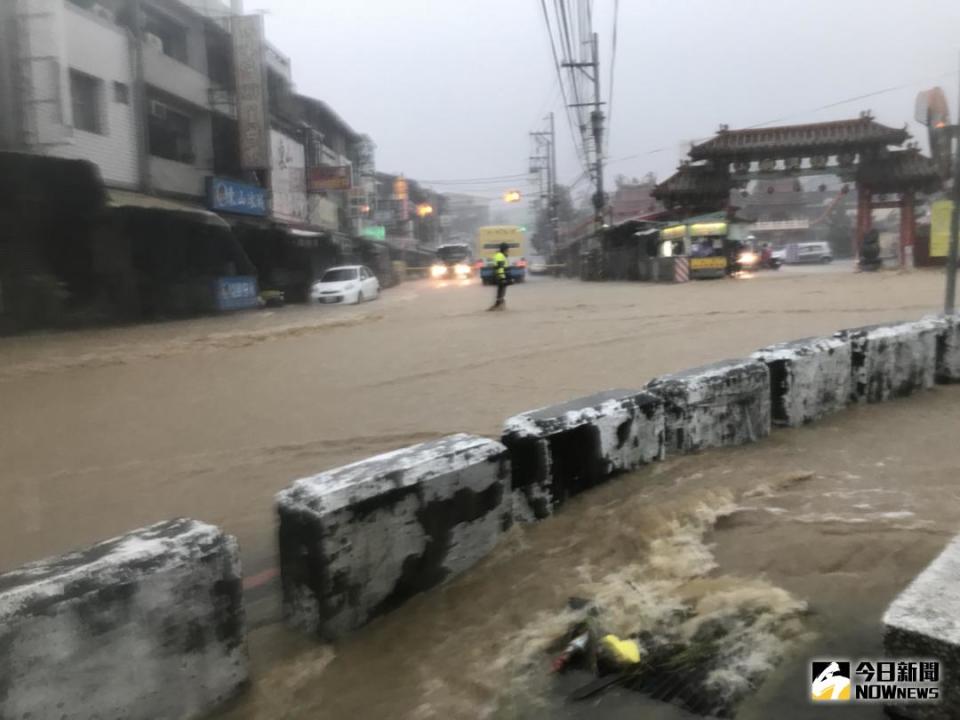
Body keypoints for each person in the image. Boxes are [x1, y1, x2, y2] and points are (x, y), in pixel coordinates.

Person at [488, 242, 510, 311]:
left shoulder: (501, 255)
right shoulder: (500, 256)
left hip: (501, 275)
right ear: (504, 249)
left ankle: (500, 305)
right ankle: (498, 305)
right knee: (501, 290)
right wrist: (502, 277)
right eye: (507, 249)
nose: (508, 250)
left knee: (501, 290)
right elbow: (500, 267)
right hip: (500, 276)